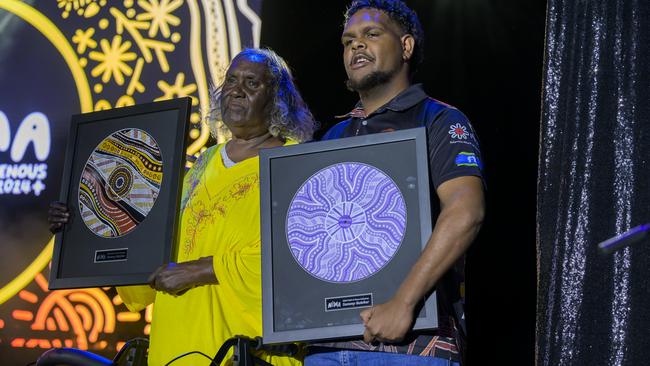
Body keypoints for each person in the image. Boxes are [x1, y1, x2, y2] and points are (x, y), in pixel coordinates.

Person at [48, 48, 317, 366]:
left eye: (251, 83)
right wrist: (85, 222)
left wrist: (198, 270)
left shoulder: (297, 166)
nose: (236, 90)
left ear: (278, 100)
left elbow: (300, 261)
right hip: (175, 349)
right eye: (230, 80)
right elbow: (148, 261)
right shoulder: (200, 167)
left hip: (246, 353)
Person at [305, 1, 485, 365]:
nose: (356, 45)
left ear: (406, 46)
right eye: (348, 40)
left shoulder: (439, 119)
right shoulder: (331, 137)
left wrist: (403, 302)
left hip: (414, 347)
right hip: (326, 348)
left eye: (371, 34)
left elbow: (466, 211)